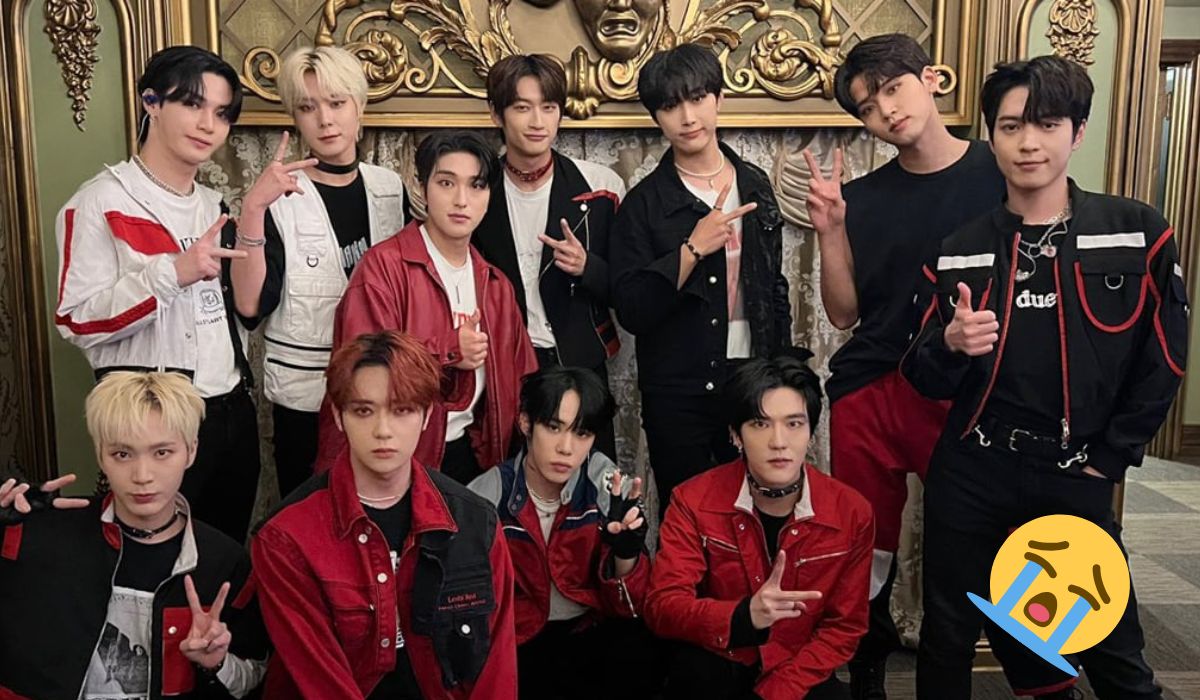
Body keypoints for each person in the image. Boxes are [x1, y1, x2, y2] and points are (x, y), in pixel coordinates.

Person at [902, 56, 1184, 700]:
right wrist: (950, 345)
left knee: (1112, 648)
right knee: (948, 634)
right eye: (1010, 127)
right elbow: (920, 373)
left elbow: (1165, 359)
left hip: (1076, 470)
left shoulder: (1136, 232)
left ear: (1077, 132)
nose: (1028, 143)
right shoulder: (960, 247)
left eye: (1047, 124)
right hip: (972, 469)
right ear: (991, 135)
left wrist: (1109, 457)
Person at [809, 33, 1007, 698]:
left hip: (964, 391)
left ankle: (981, 670)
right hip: (870, 387)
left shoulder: (999, 170)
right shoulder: (862, 196)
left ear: (933, 79)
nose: (887, 111)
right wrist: (830, 229)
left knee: (970, 541)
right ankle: (866, 660)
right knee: (869, 544)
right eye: (868, 107)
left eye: (894, 89)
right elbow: (843, 314)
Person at [54, 46, 260, 543]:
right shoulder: (100, 201)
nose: (207, 124)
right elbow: (75, 320)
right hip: (153, 427)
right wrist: (171, 273)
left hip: (230, 411)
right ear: (151, 102)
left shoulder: (214, 204)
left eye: (222, 113)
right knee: (153, 561)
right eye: (191, 104)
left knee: (224, 555)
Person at [252, 330, 518, 698]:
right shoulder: (286, 537)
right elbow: (320, 682)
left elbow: (496, 668)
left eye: (402, 409)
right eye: (364, 410)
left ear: (426, 416)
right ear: (338, 416)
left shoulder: (476, 522)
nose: (383, 430)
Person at [0, 371, 268, 699]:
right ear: (100, 455)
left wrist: (216, 663)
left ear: (191, 451)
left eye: (162, 452)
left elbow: (255, 674)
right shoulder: (45, 532)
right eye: (122, 454)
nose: (142, 476)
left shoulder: (223, 562)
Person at [609, 43, 792, 514]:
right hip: (678, 391)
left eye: (697, 98)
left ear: (719, 99)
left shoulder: (754, 184)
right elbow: (632, 310)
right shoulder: (644, 204)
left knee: (759, 512)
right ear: (656, 117)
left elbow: (774, 287)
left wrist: (784, 375)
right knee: (687, 516)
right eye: (671, 106)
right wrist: (690, 250)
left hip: (752, 379)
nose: (688, 117)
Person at [645, 352, 873, 700]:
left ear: (811, 433)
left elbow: (845, 627)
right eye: (760, 424)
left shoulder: (852, 512)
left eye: (794, 424)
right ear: (735, 435)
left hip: (796, 668)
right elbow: (663, 606)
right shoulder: (692, 500)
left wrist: (778, 691)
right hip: (717, 657)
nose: (779, 442)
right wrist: (743, 616)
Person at [230, 45, 406, 497]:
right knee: (310, 519)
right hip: (304, 401)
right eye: (308, 107)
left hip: (381, 393)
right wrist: (254, 208)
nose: (325, 120)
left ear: (359, 106)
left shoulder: (390, 188)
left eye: (336, 103)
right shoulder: (279, 199)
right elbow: (249, 306)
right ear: (294, 116)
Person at [318, 130, 538, 485]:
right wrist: (449, 349)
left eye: (476, 185)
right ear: (422, 188)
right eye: (446, 183)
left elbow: (522, 380)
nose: (462, 200)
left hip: (472, 458)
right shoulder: (383, 268)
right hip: (393, 459)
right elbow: (359, 374)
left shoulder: (494, 284)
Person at [468, 366, 656, 699]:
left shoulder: (606, 485)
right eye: (553, 428)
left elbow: (630, 607)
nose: (566, 448)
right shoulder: (486, 496)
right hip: (516, 640)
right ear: (526, 423)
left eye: (582, 433)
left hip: (589, 631)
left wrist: (626, 553)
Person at [473, 54, 625, 459]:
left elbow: (631, 289)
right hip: (503, 363)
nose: (538, 121)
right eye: (522, 108)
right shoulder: (476, 191)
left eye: (549, 107)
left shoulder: (600, 187)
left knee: (590, 477)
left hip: (580, 361)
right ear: (497, 114)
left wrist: (588, 267)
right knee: (508, 476)